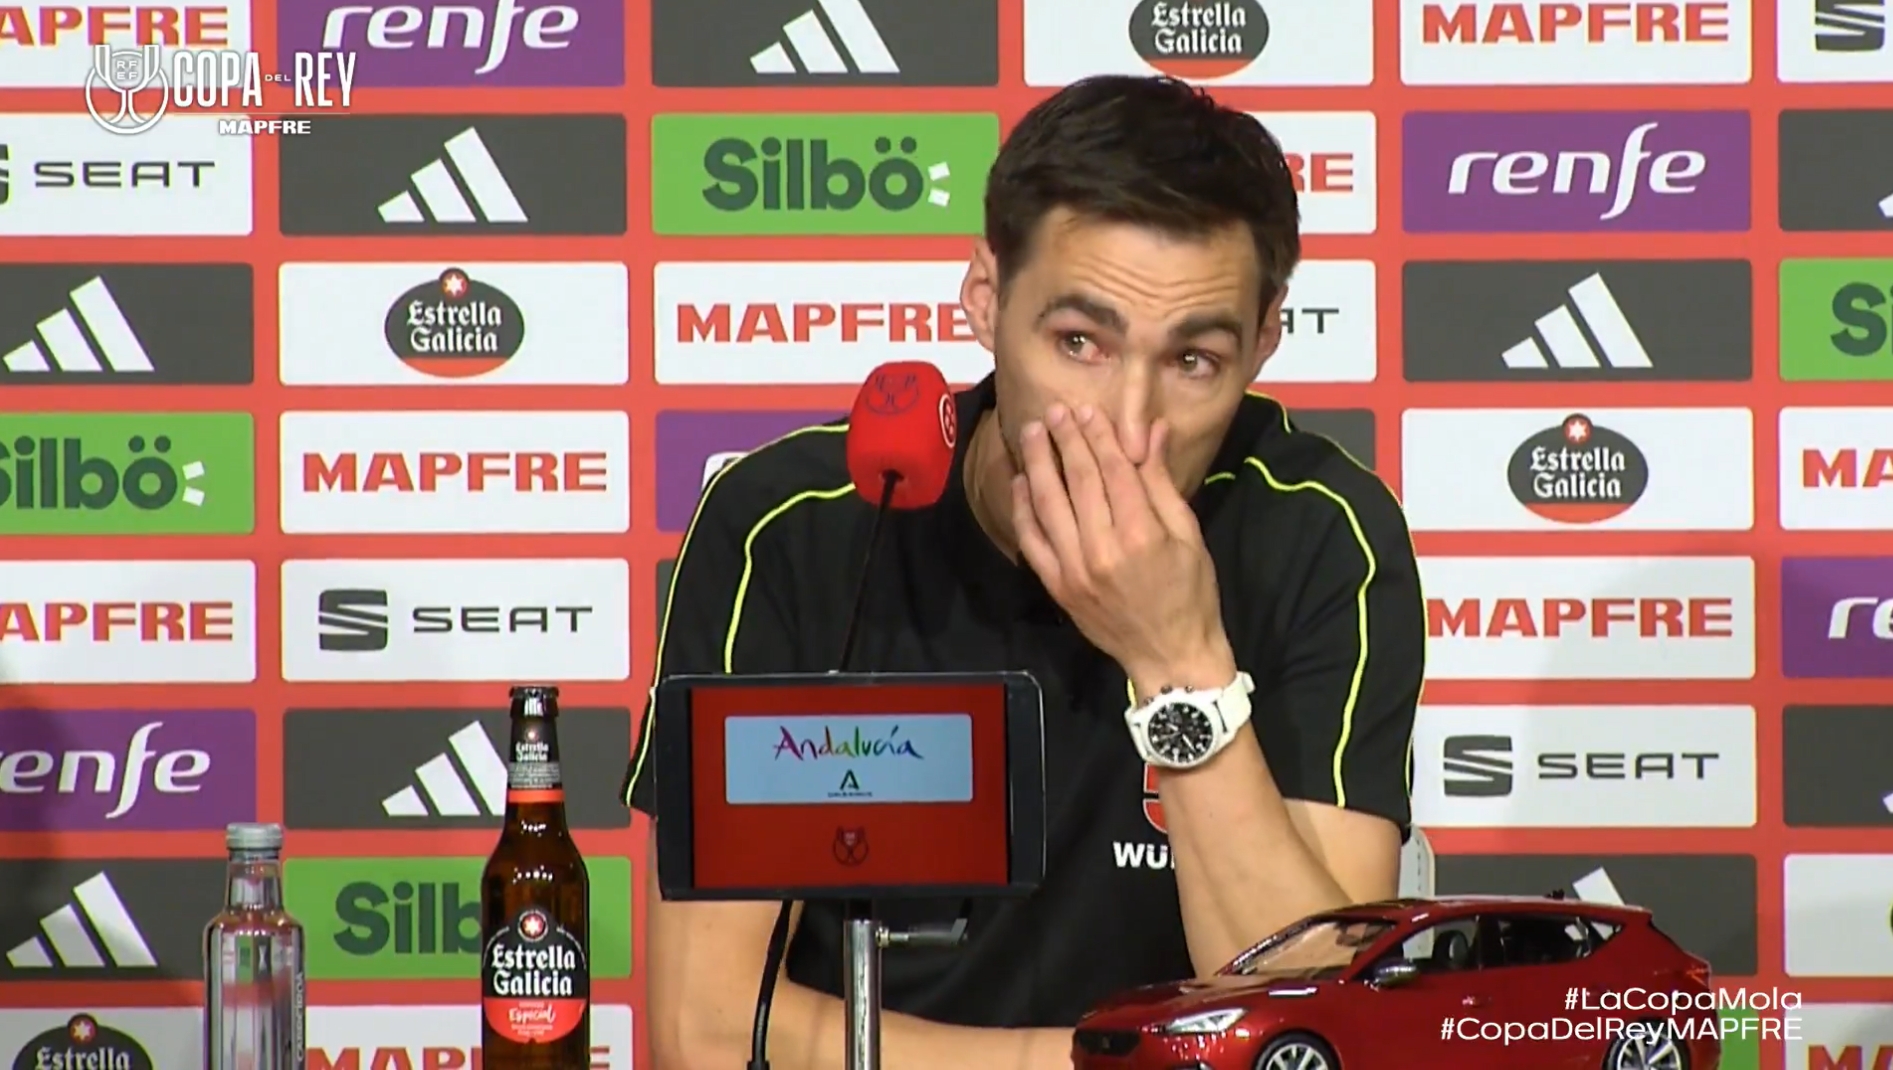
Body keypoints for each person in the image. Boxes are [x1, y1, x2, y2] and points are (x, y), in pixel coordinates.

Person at [622, 73, 1424, 1070]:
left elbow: (1318, 1034)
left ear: (1264, 341)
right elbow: (706, 1029)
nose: (1127, 423)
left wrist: (1179, 664)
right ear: (985, 296)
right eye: (1079, 342)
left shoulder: (1322, 534)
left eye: (1193, 361)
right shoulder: (795, 525)